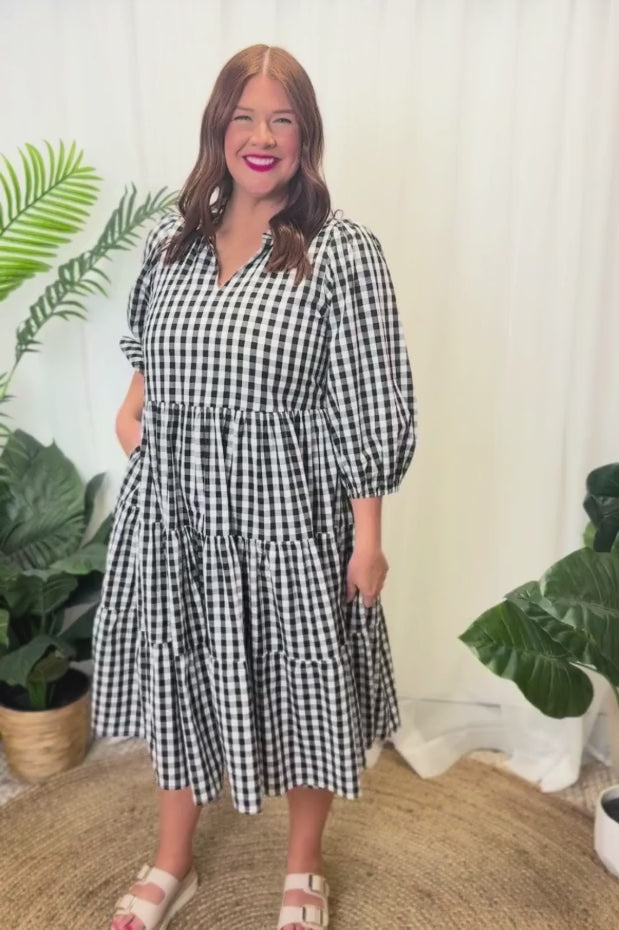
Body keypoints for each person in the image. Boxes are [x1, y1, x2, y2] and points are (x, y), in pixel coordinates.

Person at [92, 43, 416, 930]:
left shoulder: (342, 251)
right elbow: (142, 379)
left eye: (282, 119)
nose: (262, 137)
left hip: (289, 523)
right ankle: (173, 862)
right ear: (219, 128)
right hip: (177, 520)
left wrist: (368, 540)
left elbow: (364, 402)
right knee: (181, 677)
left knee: (306, 686)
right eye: (245, 117)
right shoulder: (172, 244)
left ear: (306, 135)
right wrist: (145, 434)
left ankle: (303, 867)